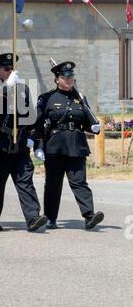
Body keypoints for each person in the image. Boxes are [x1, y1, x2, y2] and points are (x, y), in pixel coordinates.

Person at [34, 61, 104, 230]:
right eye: (65, 77)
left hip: (76, 145)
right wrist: (38, 145)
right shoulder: (47, 98)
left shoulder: (80, 98)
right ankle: (50, 218)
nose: (69, 79)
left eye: (71, 76)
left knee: (79, 182)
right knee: (53, 183)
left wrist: (93, 127)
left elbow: (86, 121)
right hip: (55, 146)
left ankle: (89, 216)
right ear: (57, 79)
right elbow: (39, 124)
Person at [0, 53, 47, 232]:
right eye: (6, 68)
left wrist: (32, 138)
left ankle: (33, 217)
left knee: (25, 181)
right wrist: (6, 87)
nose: (10, 71)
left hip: (19, 144)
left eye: (11, 68)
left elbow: (31, 116)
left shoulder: (23, 89)